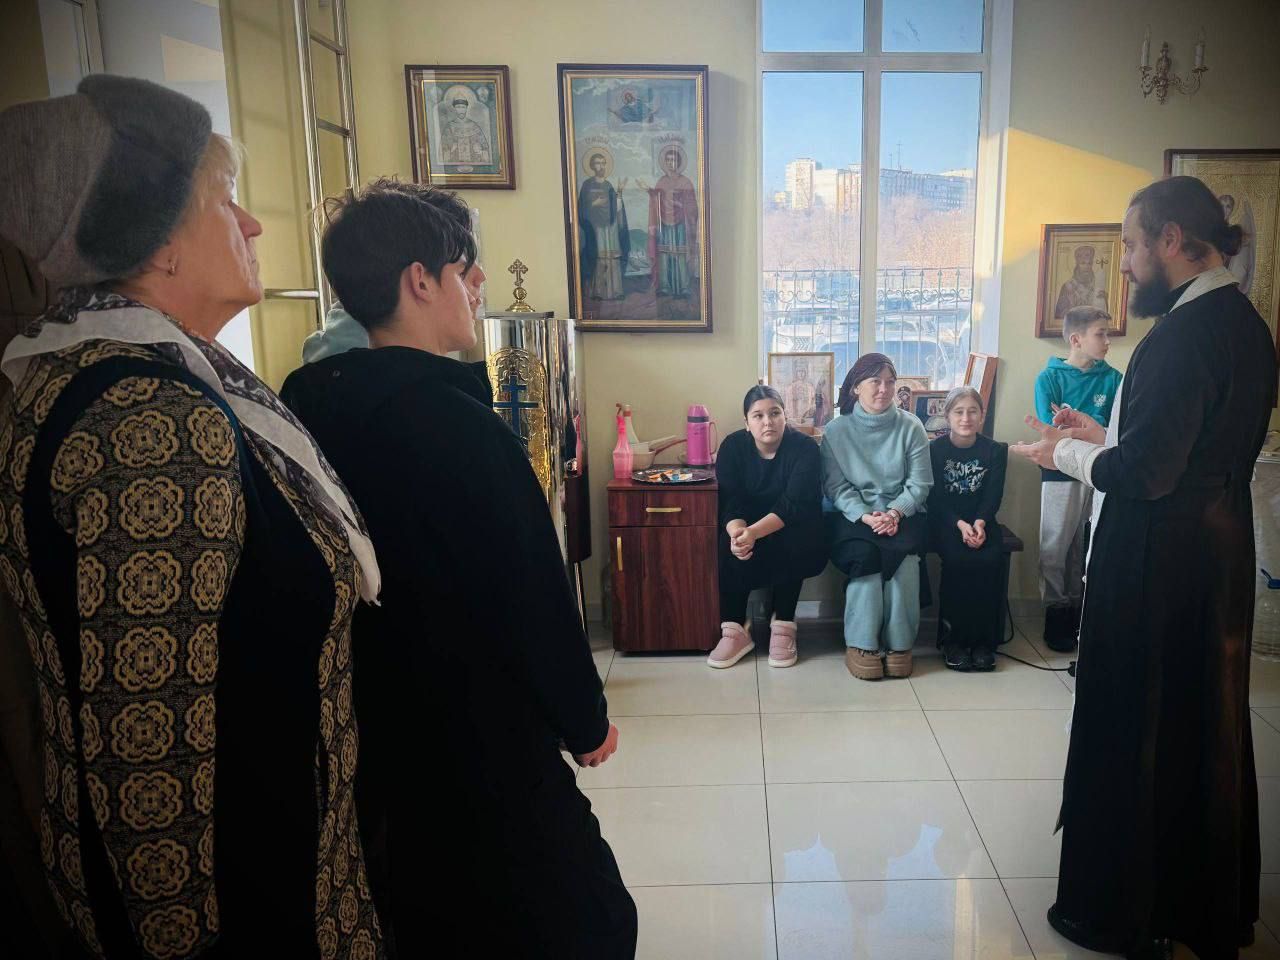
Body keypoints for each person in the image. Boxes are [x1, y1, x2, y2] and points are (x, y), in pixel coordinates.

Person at [0, 77, 384, 958]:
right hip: (244, 901)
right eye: (223, 200)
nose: (251, 224)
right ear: (157, 239)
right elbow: (147, 746)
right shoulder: (152, 420)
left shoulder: (95, 370)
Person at [279, 179, 636, 958]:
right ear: (420, 280)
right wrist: (584, 719)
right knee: (591, 919)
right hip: (479, 733)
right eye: (463, 269)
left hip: (375, 730)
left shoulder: (306, 409)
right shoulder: (456, 425)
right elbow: (532, 593)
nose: (477, 287)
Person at [1013, 175, 1275, 960]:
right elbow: (1182, 447)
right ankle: (1198, 908)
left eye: (1130, 245)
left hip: (1158, 566)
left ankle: (1118, 911)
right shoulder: (1245, 325)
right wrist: (1100, 434)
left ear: (1171, 240)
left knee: (1139, 726)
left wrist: (1060, 453)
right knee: (1202, 727)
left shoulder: (1182, 335)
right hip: (1215, 558)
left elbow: (1149, 474)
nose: (1124, 264)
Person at [821, 354, 933, 681]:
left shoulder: (911, 427)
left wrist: (895, 512)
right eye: (875, 382)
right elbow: (836, 487)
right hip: (854, 516)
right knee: (866, 557)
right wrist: (866, 516)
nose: (884, 389)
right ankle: (861, 643)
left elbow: (920, 483)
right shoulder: (836, 431)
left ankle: (900, 645)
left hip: (904, 512)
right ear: (856, 387)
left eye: (890, 382)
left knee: (904, 559)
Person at [709, 385, 826, 669]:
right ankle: (735, 629)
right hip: (748, 525)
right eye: (758, 415)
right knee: (726, 542)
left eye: (775, 413)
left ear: (785, 416)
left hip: (794, 525)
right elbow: (731, 500)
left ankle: (783, 623)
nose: (767, 422)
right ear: (746, 423)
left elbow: (793, 504)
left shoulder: (805, 448)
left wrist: (753, 533)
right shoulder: (732, 447)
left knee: (794, 537)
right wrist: (738, 534)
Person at [1033, 304, 1121, 652]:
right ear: (1076, 339)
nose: (1107, 341)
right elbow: (1051, 431)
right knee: (1056, 544)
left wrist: (1080, 426)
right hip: (1060, 471)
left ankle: (1080, 610)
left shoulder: (1114, 379)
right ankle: (1057, 611)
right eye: (1101, 334)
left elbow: (1116, 430)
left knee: (1086, 545)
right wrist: (1087, 429)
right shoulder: (1050, 379)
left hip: (1101, 471)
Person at [927, 387, 1008, 672]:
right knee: (958, 562)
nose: (966, 418)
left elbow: (993, 496)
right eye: (959, 412)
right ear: (947, 415)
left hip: (981, 522)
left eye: (973, 411)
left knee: (990, 560)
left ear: (982, 415)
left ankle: (984, 643)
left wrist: (980, 523)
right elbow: (935, 498)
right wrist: (960, 525)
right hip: (947, 522)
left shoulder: (995, 450)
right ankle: (954, 641)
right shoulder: (935, 450)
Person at [645, 146, 699, 299]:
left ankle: (684, 287)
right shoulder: (661, 182)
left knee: (681, 254)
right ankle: (664, 287)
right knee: (664, 254)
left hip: (681, 224)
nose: (670, 163)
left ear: (678, 162)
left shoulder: (686, 182)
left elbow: (692, 205)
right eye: (668, 160)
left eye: (673, 160)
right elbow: (656, 201)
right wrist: (652, 194)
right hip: (664, 224)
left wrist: (681, 204)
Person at [578, 152, 630, 302]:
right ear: (592, 166)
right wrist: (595, 204)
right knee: (599, 259)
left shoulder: (608, 186)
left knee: (614, 259)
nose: (601, 166)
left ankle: (616, 291)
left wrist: (619, 193)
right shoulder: (587, 185)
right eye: (597, 163)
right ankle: (598, 291)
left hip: (610, 227)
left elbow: (617, 208)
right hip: (596, 229)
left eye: (602, 163)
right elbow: (581, 208)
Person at [1053, 244, 1110, 319]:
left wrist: (1105, 300)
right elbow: (1060, 314)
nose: (1086, 267)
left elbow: (1105, 315)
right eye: (1083, 263)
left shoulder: (1097, 285)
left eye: (1089, 263)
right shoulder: (1068, 286)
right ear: (1077, 264)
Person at [441, 97, 490, 165]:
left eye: (463, 107)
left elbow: (484, 147)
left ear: (466, 108)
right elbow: (443, 148)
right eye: (458, 107)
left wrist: (480, 151)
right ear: (454, 109)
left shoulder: (474, 126)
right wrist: (451, 150)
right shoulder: (449, 127)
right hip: (454, 164)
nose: (461, 110)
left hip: (474, 164)